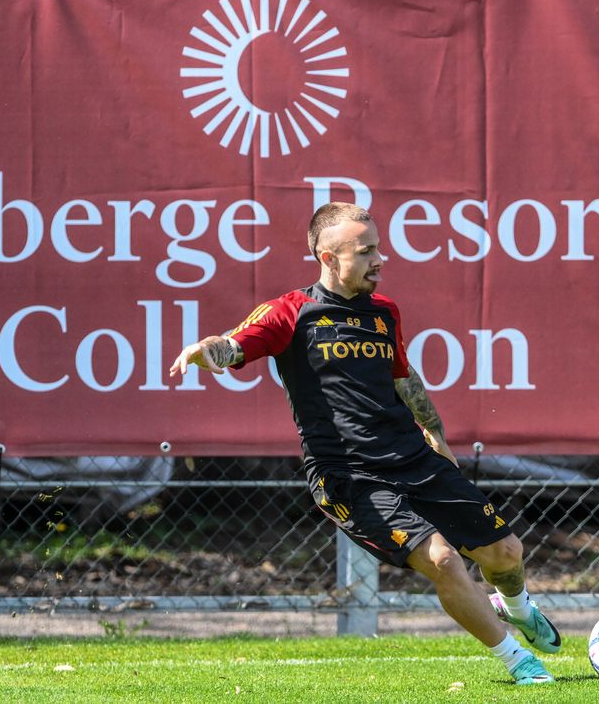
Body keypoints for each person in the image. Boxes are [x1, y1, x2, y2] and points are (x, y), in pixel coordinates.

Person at [168, 202, 559, 685]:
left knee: (506, 554)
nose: (380, 259)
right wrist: (203, 351)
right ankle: (521, 664)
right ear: (329, 257)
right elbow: (233, 345)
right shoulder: (292, 312)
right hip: (348, 476)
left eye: (379, 248)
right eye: (367, 250)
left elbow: (403, 378)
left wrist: (434, 433)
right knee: (442, 559)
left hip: (413, 457)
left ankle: (518, 607)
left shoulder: (383, 313)